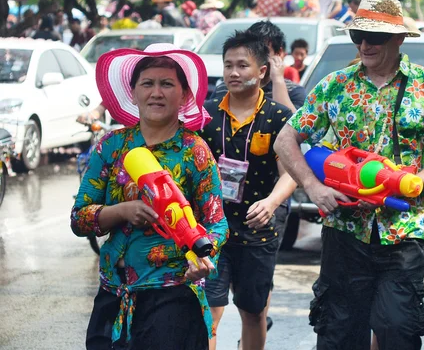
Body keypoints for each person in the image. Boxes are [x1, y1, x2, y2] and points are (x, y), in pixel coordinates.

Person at [274, 0, 424, 350]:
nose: (364, 45)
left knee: (398, 330)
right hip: (344, 232)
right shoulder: (336, 85)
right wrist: (313, 187)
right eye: (357, 36)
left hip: (403, 232)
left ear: (399, 38)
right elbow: (285, 140)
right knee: (339, 335)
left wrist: (413, 182)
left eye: (374, 37)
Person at [71, 43, 228, 349]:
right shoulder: (111, 146)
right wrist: (121, 211)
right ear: (133, 92)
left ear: (183, 95)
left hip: (173, 297)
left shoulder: (194, 151)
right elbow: (79, 219)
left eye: (167, 84)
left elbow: (217, 223)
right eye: (148, 83)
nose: (156, 92)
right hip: (114, 295)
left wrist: (204, 257)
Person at [200, 30, 297, 350]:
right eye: (228, 65)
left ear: (262, 72)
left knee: (253, 312)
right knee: (207, 312)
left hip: (259, 231)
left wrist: (271, 202)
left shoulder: (278, 116)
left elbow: (291, 173)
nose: (234, 72)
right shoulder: (206, 114)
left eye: (242, 65)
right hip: (212, 230)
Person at [211, 21, 307, 113]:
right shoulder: (223, 89)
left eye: (264, 51)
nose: (257, 58)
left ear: (278, 53)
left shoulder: (294, 92)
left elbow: (292, 125)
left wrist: (278, 80)